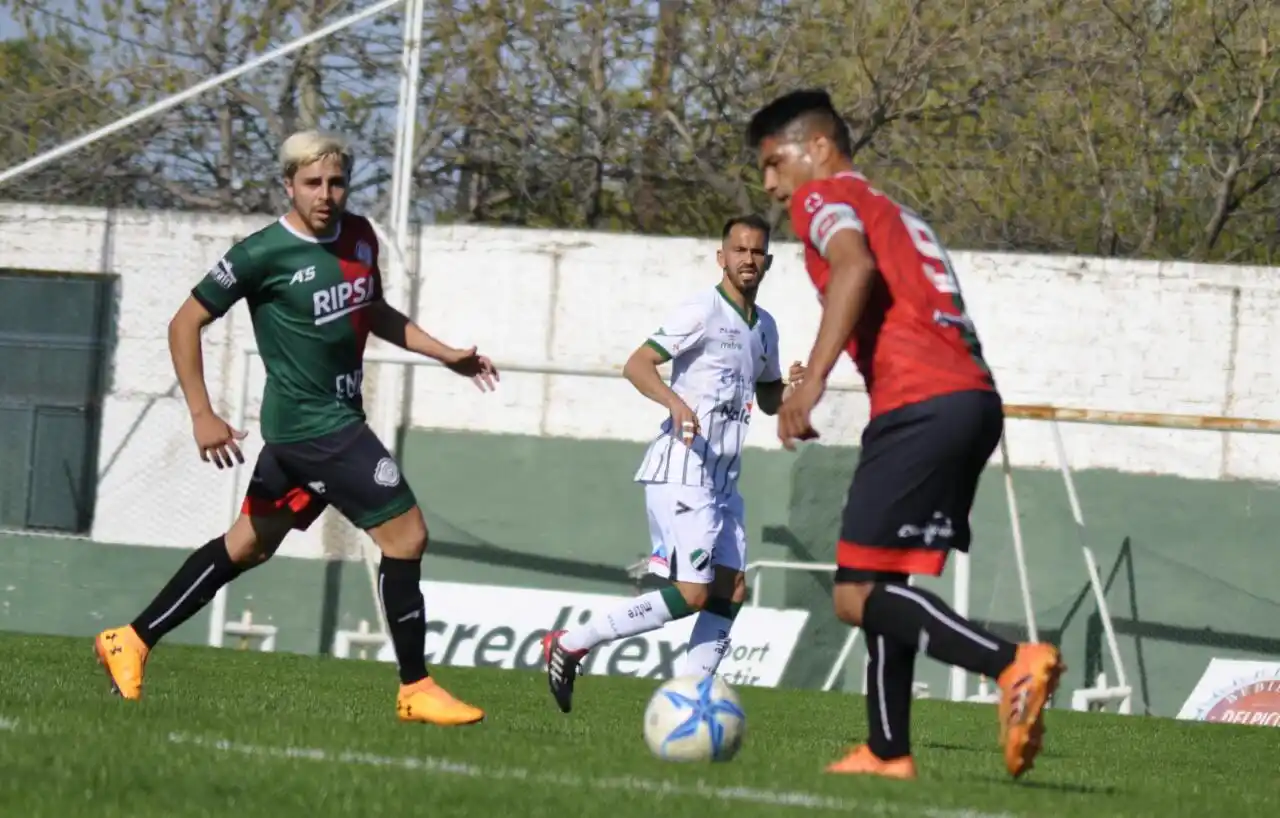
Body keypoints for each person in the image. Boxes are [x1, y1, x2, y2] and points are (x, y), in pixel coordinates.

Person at [93, 130, 499, 727]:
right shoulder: (261, 254)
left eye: (336, 182)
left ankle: (132, 639)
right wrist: (202, 413)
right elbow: (184, 323)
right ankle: (415, 687)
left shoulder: (360, 236)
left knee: (249, 544)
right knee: (406, 535)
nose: (326, 194)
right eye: (312, 183)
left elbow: (374, 311)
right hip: (315, 429)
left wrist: (446, 355)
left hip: (322, 426)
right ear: (289, 185)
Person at [745, 90, 1065, 780]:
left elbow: (853, 268)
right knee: (886, 581)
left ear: (819, 149)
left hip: (920, 404)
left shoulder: (824, 198)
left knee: (854, 595)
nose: (770, 184)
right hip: (969, 399)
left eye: (775, 163)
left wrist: (810, 379)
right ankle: (888, 750)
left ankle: (1010, 663)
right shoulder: (896, 209)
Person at [541, 215, 803, 713]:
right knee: (692, 593)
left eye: (757, 252)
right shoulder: (701, 311)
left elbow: (768, 399)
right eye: (739, 250)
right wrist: (673, 402)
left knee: (731, 589)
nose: (748, 259)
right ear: (722, 256)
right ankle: (573, 643)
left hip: (724, 481)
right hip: (681, 469)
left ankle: (691, 699)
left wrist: (793, 388)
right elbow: (637, 363)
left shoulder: (764, 327)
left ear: (768, 261)